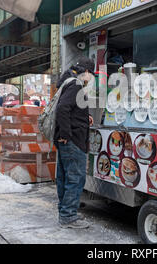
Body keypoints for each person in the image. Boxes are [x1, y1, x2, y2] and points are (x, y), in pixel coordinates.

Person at [54, 57, 95, 229]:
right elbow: (63, 108)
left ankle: (65, 211)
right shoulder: (76, 84)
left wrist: (86, 117)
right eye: (91, 75)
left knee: (64, 177)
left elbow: (70, 109)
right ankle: (68, 216)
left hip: (67, 138)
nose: (91, 78)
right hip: (73, 140)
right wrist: (66, 134)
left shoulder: (68, 82)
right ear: (86, 72)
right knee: (75, 178)